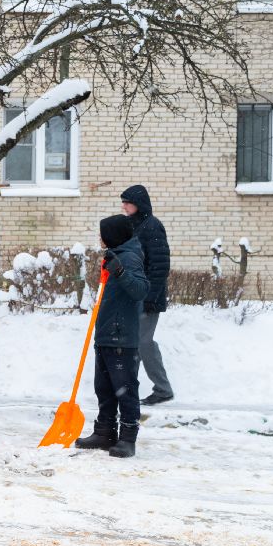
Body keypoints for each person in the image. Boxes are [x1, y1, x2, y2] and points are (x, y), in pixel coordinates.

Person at [75, 214, 150, 458]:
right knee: (104, 388)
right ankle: (105, 432)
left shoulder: (128, 258)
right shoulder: (116, 255)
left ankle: (127, 438)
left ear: (113, 235)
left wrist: (120, 272)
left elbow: (141, 290)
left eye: (102, 233)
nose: (99, 238)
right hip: (107, 334)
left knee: (125, 389)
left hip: (122, 336)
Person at [120, 184, 173, 404]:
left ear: (138, 204)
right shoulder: (133, 225)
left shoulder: (152, 226)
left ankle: (162, 389)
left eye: (127, 202)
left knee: (143, 342)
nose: (123, 206)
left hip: (148, 296)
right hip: (134, 294)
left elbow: (160, 266)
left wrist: (150, 296)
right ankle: (127, 389)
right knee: (133, 342)